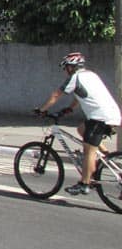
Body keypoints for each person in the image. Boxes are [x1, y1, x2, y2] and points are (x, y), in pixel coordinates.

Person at [36, 52, 121, 195]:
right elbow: (80, 96)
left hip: (100, 118)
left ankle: (84, 184)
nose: (65, 71)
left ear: (71, 67)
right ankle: (108, 157)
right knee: (81, 129)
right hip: (111, 114)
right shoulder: (91, 75)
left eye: (66, 68)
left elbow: (56, 95)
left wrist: (41, 110)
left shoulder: (75, 77)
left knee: (89, 150)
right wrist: (69, 108)